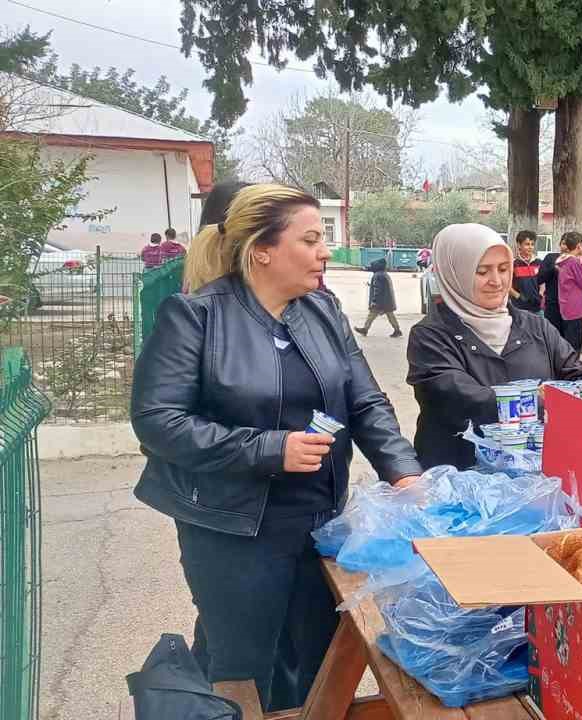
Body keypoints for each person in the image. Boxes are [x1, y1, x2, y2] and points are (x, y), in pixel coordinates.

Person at [131, 184, 421, 711]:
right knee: (243, 669)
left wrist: (402, 470)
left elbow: (365, 399)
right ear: (262, 250)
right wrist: (267, 449)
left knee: (317, 662)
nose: (325, 251)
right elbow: (158, 422)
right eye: (310, 239)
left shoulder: (322, 309)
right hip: (234, 531)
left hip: (320, 520)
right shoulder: (195, 316)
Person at [406, 224, 582, 469]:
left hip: (534, 480)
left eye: (504, 269)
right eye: (482, 271)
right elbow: (470, 400)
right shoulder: (430, 337)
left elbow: (581, 379)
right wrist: (547, 401)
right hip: (457, 482)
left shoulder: (536, 327)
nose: (496, 281)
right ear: (454, 273)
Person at [555, 231, 582, 352]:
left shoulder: (562, 261)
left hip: (566, 305)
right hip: (575, 308)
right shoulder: (573, 262)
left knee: (568, 343)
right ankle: (572, 370)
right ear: (578, 246)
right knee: (574, 345)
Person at [354, 258, 402, 338]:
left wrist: (374, 301)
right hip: (387, 300)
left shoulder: (377, 275)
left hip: (380, 302)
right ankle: (397, 330)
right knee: (390, 316)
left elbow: (378, 290)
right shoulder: (384, 274)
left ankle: (365, 329)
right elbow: (381, 287)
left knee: (372, 315)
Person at [511, 230, 543, 314]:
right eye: (527, 244)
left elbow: (543, 282)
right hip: (519, 308)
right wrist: (518, 296)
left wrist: (541, 294)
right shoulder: (513, 264)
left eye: (532, 244)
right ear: (519, 245)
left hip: (537, 308)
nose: (530, 247)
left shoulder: (539, 262)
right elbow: (506, 285)